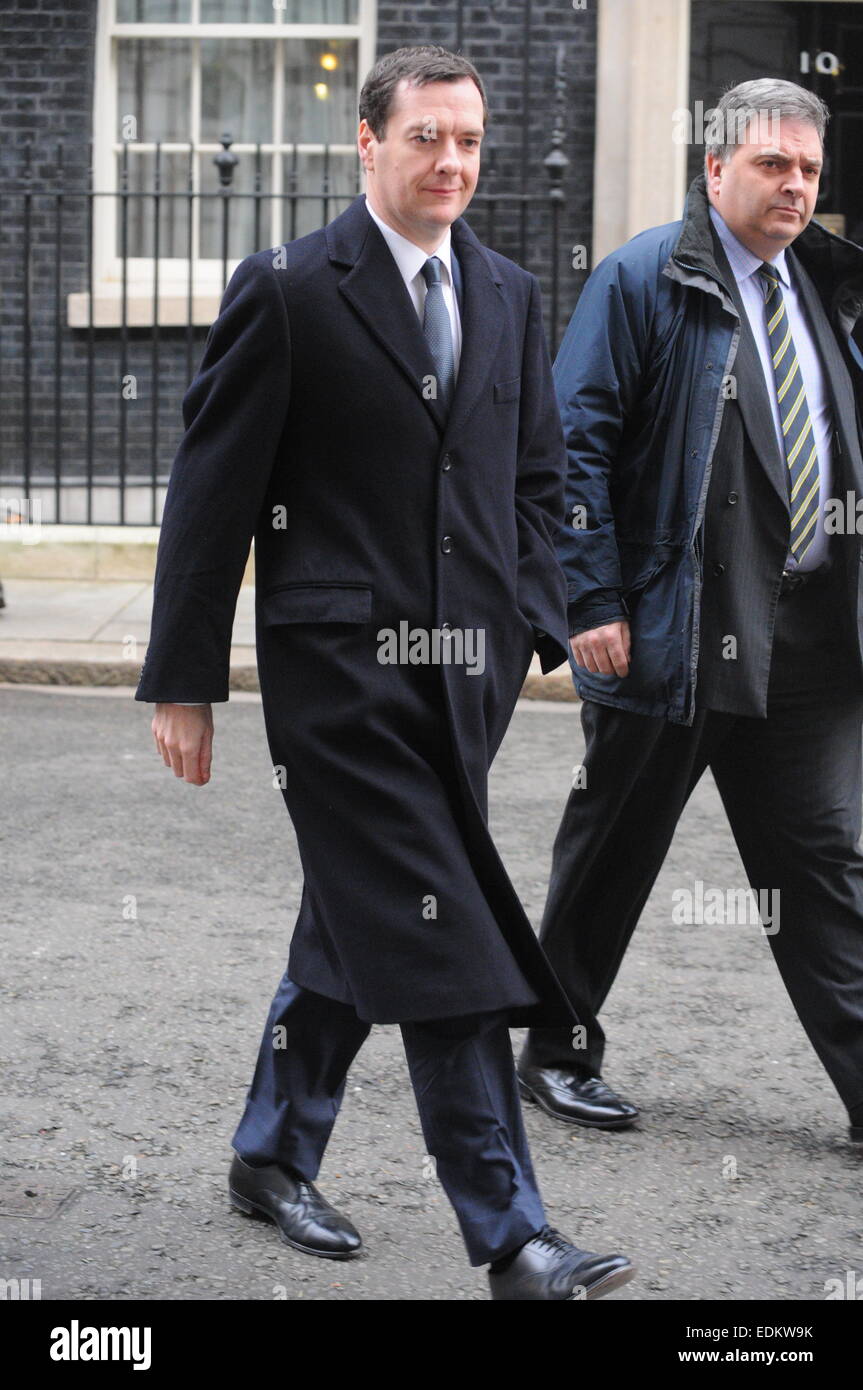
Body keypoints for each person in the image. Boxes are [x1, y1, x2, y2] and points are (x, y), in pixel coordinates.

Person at [135, 45, 634, 1301]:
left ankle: (269, 1151)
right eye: (425, 138)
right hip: (339, 684)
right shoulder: (293, 287)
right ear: (367, 143)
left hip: (462, 676)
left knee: (359, 919)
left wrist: (533, 617)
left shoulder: (511, 292)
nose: (451, 163)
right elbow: (211, 496)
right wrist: (183, 678)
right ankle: (512, 1235)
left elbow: (533, 474)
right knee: (440, 924)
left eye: (467, 141)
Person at [518, 78, 863, 1149]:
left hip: (806, 634)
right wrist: (589, 597)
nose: (793, 185)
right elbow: (570, 444)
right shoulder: (640, 278)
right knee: (615, 844)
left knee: (821, 860)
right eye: (770, 164)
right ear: (712, 170)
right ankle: (557, 1047)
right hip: (673, 621)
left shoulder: (827, 287)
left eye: (806, 168)